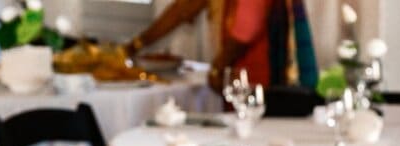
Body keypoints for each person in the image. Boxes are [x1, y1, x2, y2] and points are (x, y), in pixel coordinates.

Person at [126, 0, 317, 94]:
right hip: (243, 76)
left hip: (262, 77)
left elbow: (248, 26)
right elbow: (183, 8)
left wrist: (218, 67)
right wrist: (136, 44)